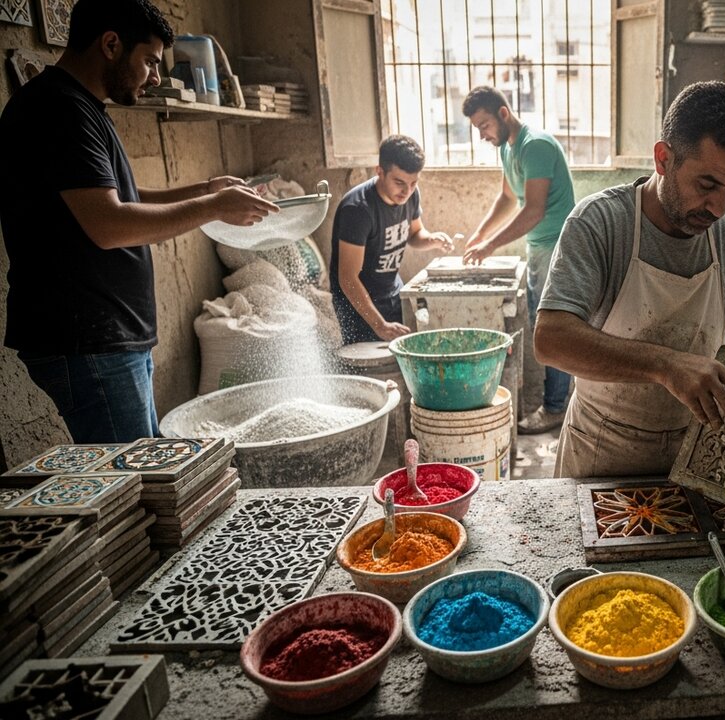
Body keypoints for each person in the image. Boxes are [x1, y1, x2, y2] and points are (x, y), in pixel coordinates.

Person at [0, 0, 278, 444]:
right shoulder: (59, 111)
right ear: (111, 44)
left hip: (108, 337)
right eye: (149, 60)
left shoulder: (82, 107)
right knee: (137, 486)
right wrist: (212, 209)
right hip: (87, 339)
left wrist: (205, 191)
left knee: (151, 472)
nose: (155, 76)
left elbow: (121, 198)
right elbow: (110, 224)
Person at [534, 81, 725, 478]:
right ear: (663, 159)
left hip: (698, 448)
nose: (718, 206)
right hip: (603, 448)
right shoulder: (602, 223)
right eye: (707, 185)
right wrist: (665, 365)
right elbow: (551, 339)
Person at [461, 86, 576, 435]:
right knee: (543, 326)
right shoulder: (509, 149)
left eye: (484, 125)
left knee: (553, 329)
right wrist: (480, 234)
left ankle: (556, 407)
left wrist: (490, 246)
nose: (482, 135)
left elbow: (534, 210)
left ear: (503, 114)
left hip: (557, 245)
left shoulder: (535, 146)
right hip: (539, 248)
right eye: (477, 128)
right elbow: (507, 197)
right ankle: (558, 401)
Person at [330, 135, 453, 344]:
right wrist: (379, 325)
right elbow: (348, 278)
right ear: (380, 171)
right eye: (399, 183)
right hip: (359, 308)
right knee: (374, 370)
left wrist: (431, 240)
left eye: (414, 183)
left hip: (393, 293)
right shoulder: (358, 210)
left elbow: (414, 234)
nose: (407, 191)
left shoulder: (411, 194)